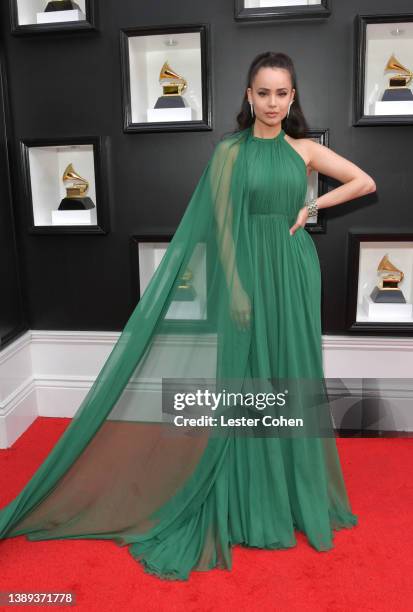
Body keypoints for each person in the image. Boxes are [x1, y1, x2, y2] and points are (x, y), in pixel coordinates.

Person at [0, 51, 375, 581]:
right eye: (262, 92)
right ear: (248, 96)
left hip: (293, 272)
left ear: (293, 98)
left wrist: (311, 208)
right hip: (246, 274)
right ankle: (247, 494)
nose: (272, 102)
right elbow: (222, 229)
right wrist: (237, 289)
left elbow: (363, 182)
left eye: (281, 93)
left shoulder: (305, 150)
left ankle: (291, 493)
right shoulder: (228, 153)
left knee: (290, 375)